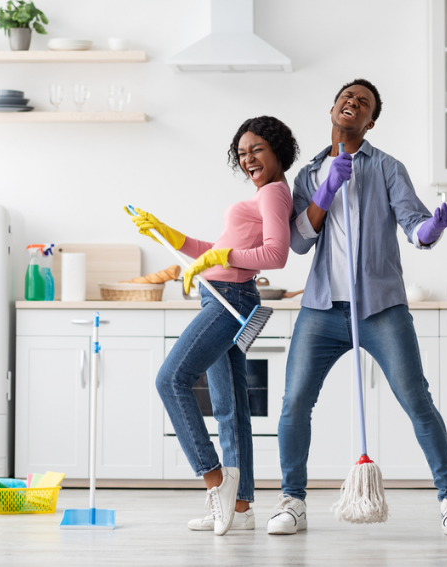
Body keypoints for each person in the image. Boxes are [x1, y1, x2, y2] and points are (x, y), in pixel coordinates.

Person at [266, 79, 447, 537]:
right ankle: (292, 501)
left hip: (380, 308)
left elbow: (415, 226)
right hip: (321, 309)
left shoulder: (387, 168)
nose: (352, 103)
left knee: (417, 401)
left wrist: (433, 229)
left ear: (370, 121)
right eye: (346, 97)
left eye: (363, 103)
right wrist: (325, 191)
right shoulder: (308, 174)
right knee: (294, 403)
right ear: (334, 107)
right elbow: (299, 242)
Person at [130, 116, 298, 536]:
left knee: (171, 380)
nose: (248, 159)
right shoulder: (263, 195)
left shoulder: (275, 193)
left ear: (277, 149)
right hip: (222, 296)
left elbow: (276, 255)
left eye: (256, 149)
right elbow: (218, 250)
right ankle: (240, 508)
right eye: (242, 154)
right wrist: (171, 236)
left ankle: (215, 481)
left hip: (230, 301)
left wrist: (219, 260)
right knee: (231, 407)